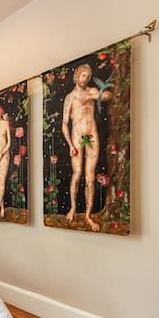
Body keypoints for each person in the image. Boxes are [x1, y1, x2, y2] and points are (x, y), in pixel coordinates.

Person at [61, 64, 113, 231]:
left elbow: (108, 94)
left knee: (90, 177)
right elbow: (64, 124)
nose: (86, 78)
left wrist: (93, 96)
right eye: (83, 75)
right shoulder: (70, 98)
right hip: (76, 137)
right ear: (77, 76)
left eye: (88, 76)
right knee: (77, 174)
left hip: (92, 135)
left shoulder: (91, 91)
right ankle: (73, 208)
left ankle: (88, 215)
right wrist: (70, 145)